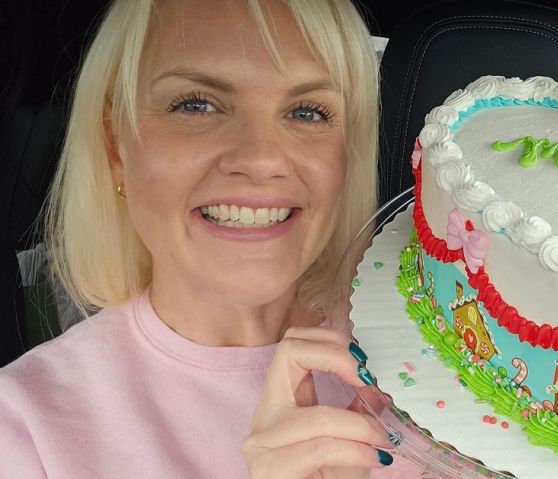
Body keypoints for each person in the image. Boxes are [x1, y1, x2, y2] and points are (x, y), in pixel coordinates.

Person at [0, 0, 421, 477]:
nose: (261, 158)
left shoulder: (453, 365)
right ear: (116, 145)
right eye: (196, 105)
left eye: (307, 112)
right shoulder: (22, 430)